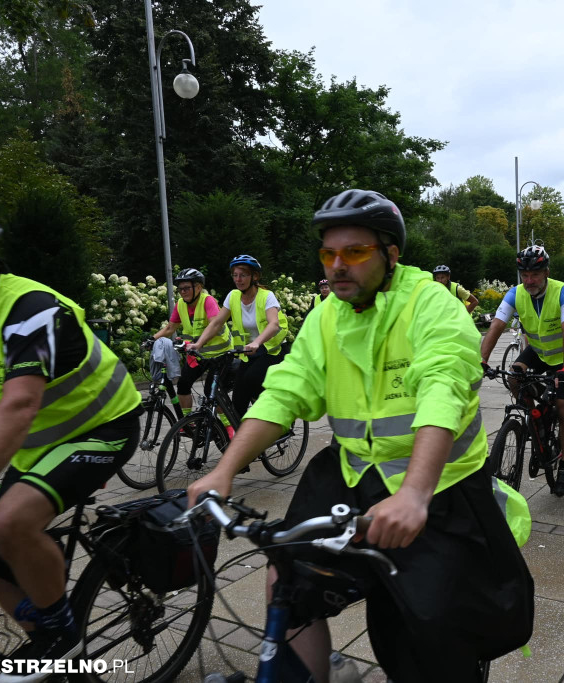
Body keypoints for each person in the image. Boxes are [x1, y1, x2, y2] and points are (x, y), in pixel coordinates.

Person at [186, 189, 534, 683]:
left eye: (354, 252)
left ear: (391, 255)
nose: (337, 265)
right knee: (287, 574)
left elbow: (444, 389)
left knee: (425, 636)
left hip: (440, 488)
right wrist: (224, 470)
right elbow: (286, 391)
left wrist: (414, 494)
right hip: (352, 473)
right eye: (329, 253)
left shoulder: (430, 304)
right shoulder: (326, 315)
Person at [0, 197, 142, 679]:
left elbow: (18, 405)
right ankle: (43, 641)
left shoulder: (28, 308)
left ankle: (61, 638)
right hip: (39, 445)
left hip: (101, 427)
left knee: (11, 523)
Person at [480, 244, 564, 496]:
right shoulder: (515, 294)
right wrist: (481, 360)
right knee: (516, 377)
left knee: (563, 404)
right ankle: (535, 417)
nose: (529, 280)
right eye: (524, 275)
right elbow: (496, 325)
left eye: (535, 275)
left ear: (546, 272)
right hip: (539, 351)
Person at [192, 255, 289, 419]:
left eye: (243, 275)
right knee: (238, 400)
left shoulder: (266, 296)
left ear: (254, 276)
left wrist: (257, 342)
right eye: (235, 275)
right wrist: (198, 344)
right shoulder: (233, 296)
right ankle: (246, 433)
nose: (238, 279)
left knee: (252, 378)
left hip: (273, 350)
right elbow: (217, 323)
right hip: (249, 352)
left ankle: (276, 413)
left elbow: (274, 324)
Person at [152, 268, 233, 414]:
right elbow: (171, 327)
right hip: (197, 354)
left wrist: (198, 343)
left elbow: (215, 325)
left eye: (187, 288)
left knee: (212, 392)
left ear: (199, 287)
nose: (183, 292)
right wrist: (151, 339)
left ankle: (228, 428)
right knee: (183, 385)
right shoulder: (181, 304)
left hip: (220, 355)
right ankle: (188, 422)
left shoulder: (208, 301)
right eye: (180, 289)